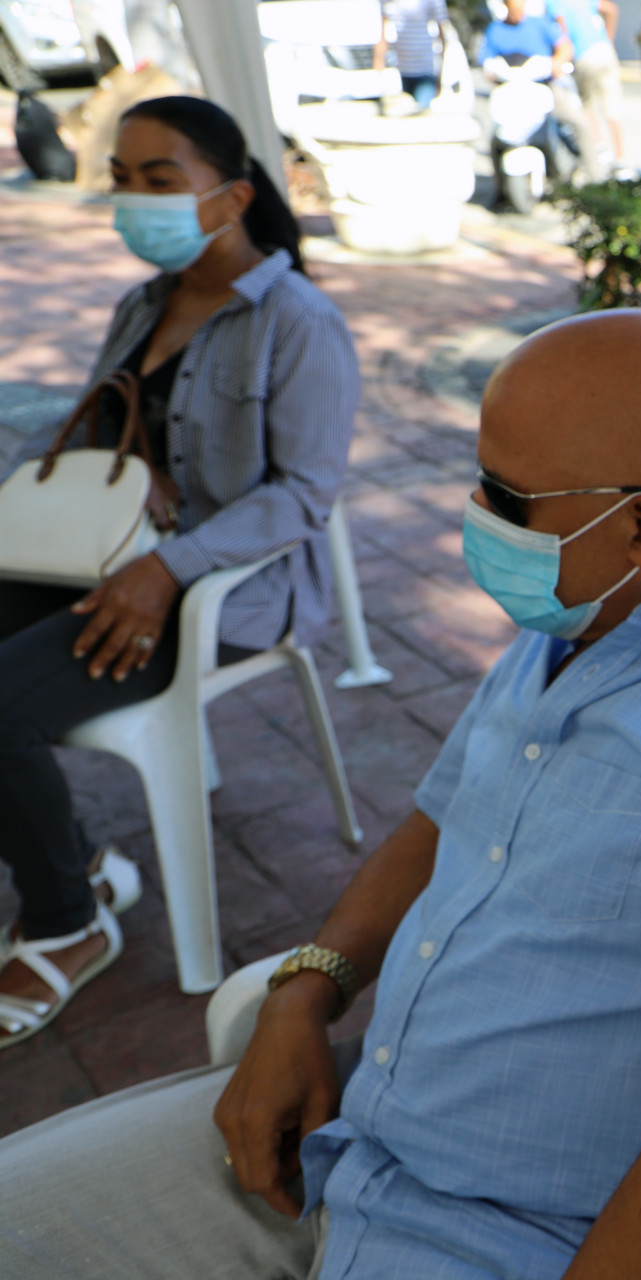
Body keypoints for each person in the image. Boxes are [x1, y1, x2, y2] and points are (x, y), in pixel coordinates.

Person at [0, 310, 641, 1280]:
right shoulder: (580, 620)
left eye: (506, 497)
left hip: (515, 1233)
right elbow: (440, 821)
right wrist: (305, 990)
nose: (477, 515)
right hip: (345, 1136)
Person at [0, 96, 356, 1051]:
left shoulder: (297, 321)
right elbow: (92, 422)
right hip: (109, 555)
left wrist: (171, 567)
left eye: (161, 180)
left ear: (232, 197)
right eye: (122, 179)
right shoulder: (143, 304)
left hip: (222, 596)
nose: (135, 199)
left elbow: (305, 495)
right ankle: (80, 865)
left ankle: (69, 922)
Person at [547, 0, 626, 174]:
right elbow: (611, 10)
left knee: (587, 105)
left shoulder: (554, 3)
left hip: (583, 55)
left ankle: (599, 149)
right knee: (612, 106)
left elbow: (562, 33)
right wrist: (609, 40)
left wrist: (563, 57)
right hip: (604, 50)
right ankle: (620, 158)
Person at [372, 0, 458, 111]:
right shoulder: (387, 2)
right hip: (402, 71)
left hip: (425, 71)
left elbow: (442, 37)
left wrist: (441, 76)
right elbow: (382, 39)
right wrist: (379, 76)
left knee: (422, 112)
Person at [479, 0, 573, 81]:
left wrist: (557, 62)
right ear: (506, 5)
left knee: (562, 91)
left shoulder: (539, 23)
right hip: (508, 83)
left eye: (519, 8)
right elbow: (486, 59)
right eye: (513, 9)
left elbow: (565, 46)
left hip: (542, 80)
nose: (517, 13)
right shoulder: (495, 29)